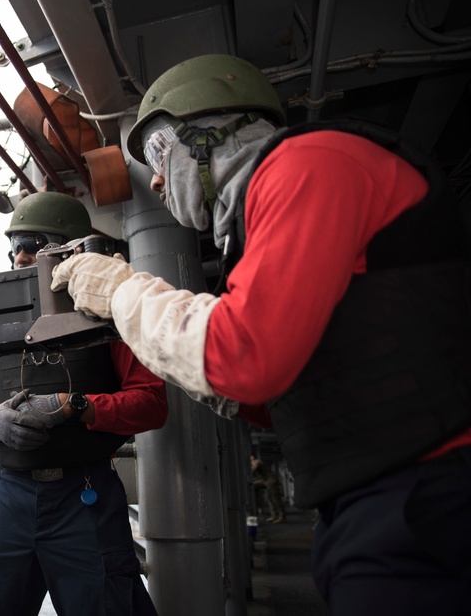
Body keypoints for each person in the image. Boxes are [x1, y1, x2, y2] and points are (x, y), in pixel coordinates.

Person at [49, 53, 471, 614]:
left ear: (208, 133)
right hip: (390, 494)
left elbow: (244, 357)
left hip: (428, 494)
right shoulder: (270, 213)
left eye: (156, 150)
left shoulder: (308, 162)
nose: (152, 177)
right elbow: (267, 394)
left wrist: (122, 293)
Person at [0, 191, 167, 616]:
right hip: (13, 494)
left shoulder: (110, 315)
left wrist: (74, 405)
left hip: (83, 494)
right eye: (14, 246)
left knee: (105, 605)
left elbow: (151, 402)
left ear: (70, 248)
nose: (19, 257)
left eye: (32, 245)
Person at [250, 454, 285, 524]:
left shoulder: (256, 461)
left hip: (271, 481)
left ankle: (282, 516)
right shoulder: (254, 462)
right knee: (269, 498)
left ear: (252, 457)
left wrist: (250, 471)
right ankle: (274, 515)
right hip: (266, 482)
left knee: (275, 499)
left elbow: (254, 468)